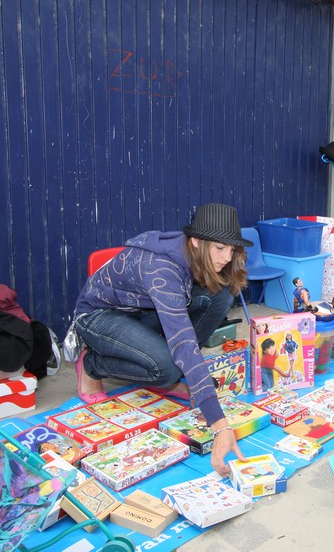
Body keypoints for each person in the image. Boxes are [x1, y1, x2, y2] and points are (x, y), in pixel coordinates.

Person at [70, 202, 249, 475]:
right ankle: (92, 364)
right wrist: (220, 426)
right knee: (167, 366)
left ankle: (166, 369)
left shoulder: (193, 253)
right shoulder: (162, 269)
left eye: (232, 249)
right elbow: (182, 341)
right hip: (98, 317)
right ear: (196, 241)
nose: (226, 257)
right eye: (220, 248)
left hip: (140, 312)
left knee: (221, 294)